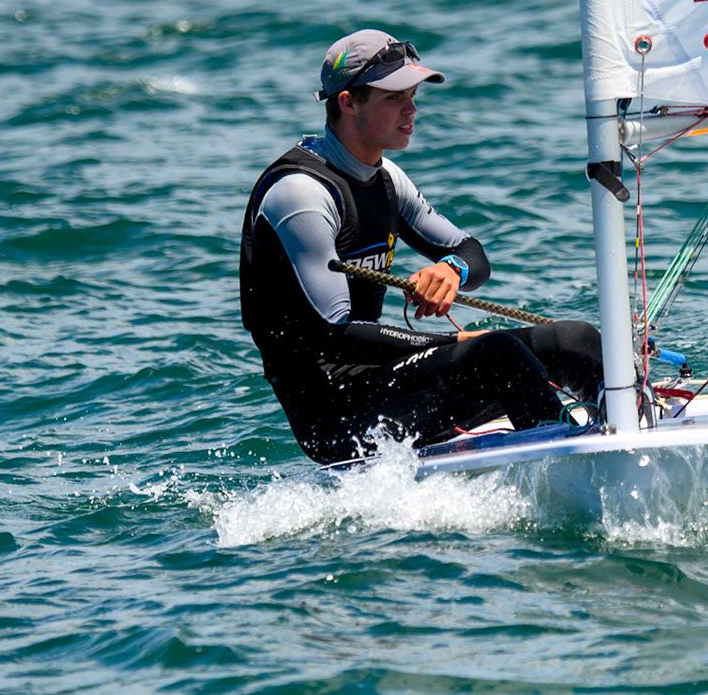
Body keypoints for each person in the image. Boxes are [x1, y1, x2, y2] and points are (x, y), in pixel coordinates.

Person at [239, 28, 604, 463]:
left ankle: (633, 424)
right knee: (498, 354)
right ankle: (567, 464)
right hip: (336, 416)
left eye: (412, 95)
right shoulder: (301, 194)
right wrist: (448, 343)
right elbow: (337, 334)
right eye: (394, 97)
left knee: (575, 339)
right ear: (348, 103)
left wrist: (452, 270)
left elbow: (472, 253)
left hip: (392, 381)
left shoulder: (387, 179)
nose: (411, 110)